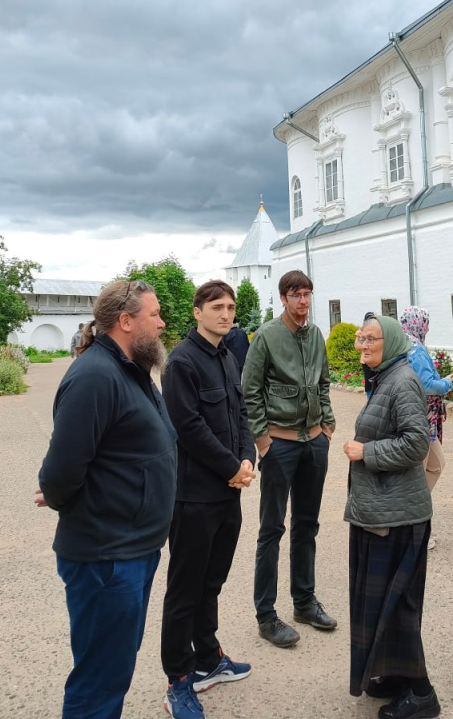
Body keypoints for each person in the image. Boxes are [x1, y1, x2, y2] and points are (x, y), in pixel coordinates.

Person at [35, 279, 177, 719]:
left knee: (115, 666)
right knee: (99, 677)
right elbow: (59, 473)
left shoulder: (130, 368)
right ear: (126, 321)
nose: (162, 323)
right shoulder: (95, 375)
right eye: (154, 315)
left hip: (133, 549)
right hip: (106, 556)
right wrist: (71, 498)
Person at [160, 280, 256, 719]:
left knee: (211, 582)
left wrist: (248, 458)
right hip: (194, 497)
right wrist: (230, 467)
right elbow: (188, 426)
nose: (226, 314)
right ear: (197, 312)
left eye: (231, 307)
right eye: (216, 307)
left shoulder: (228, 357)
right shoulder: (181, 361)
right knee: (185, 589)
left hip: (227, 494)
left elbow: (240, 414)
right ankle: (179, 680)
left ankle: (208, 658)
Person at [343, 314, 440, 719]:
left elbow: (417, 444)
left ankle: (421, 694)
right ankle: (396, 675)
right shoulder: (386, 377)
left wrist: (367, 453)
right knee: (381, 602)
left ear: (393, 341)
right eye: (360, 338)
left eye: (371, 339)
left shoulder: (402, 382)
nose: (362, 345)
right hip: (381, 511)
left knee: (397, 605)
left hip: (399, 516)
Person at [242, 269, 336, 648]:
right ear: (283, 298)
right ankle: (266, 616)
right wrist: (263, 442)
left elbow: (324, 382)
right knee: (271, 529)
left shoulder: (315, 336)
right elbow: (250, 391)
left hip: (314, 442)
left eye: (307, 294)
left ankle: (304, 602)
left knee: (307, 525)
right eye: (296, 295)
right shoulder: (266, 336)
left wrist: (327, 426)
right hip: (279, 445)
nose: (303, 301)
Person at [399, 307, 453, 549]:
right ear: (417, 323)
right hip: (420, 418)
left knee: (434, 465)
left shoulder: (402, 343)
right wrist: (447, 383)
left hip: (417, 418)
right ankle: (408, 526)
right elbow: (427, 385)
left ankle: (410, 519)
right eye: (426, 323)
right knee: (423, 471)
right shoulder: (416, 349)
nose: (428, 327)